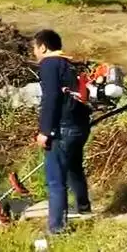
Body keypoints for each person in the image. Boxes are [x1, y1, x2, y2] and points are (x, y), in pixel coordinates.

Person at [32, 29, 93, 235]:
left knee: (56, 179)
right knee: (75, 168)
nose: (34, 53)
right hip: (80, 127)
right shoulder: (67, 64)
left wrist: (45, 131)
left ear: (43, 47)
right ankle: (84, 208)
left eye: (35, 48)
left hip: (63, 129)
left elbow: (52, 99)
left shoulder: (49, 65)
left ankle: (57, 228)